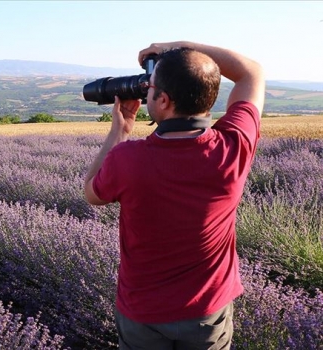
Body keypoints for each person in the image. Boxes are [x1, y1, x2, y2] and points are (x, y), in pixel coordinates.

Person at [84, 41, 264, 349]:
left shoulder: (127, 159)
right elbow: (252, 72)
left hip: (143, 314)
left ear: (164, 100)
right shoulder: (234, 147)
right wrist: (178, 47)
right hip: (207, 313)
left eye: (151, 87)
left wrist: (120, 131)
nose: (146, 91)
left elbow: (92, 194)